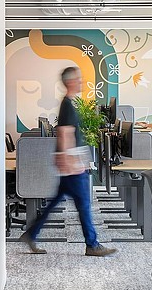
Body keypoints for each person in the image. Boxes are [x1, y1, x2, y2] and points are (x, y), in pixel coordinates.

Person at [20, 66, 117, 257]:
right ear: (71, 82)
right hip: (72, 166)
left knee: (58, 202)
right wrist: (70, 161)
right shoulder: (67, 105)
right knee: (84, 205)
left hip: (69, 164)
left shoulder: (68, 103)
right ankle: (92, 245)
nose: (81, 82)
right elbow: (65, 134)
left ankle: (32, 233)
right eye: (78, 79)